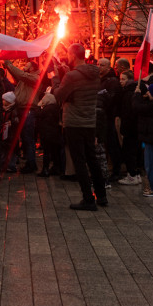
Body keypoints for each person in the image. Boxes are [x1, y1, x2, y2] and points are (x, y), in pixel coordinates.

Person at [56, 44, 108, 211]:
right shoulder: (95, 74)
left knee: (79, 160)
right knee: (92, 159)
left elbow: (59, 95)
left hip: (74, 122)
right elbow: (78, 90)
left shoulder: (71, 76)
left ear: (72, 55)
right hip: (89, 121)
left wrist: (56, 77)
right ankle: (101, 195)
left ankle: (88, 199)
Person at [4, 60, 41, 174]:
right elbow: (18, 75)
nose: (24, 66)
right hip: (22, 109)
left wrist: (9, 64)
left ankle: (31, 164)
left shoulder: (34, 78)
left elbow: (21, 74)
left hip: (28, 110)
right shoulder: (25, 79)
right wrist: (8, 66)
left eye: (26, 65)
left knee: (27, 138)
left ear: (33, 68)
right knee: (24, 138)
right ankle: (29, 162)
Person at [116, 69, 142, 185]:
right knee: (133, 151)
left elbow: (127, 112)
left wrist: (124, 127)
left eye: (123, 79)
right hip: (134, 127)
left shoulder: (128, 93)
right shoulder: (133, 91)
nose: (120, 81)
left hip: (130, 127)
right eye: (120, 79)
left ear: (129, 80)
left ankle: (132, 175)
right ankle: (135, 174)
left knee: (129, 151)